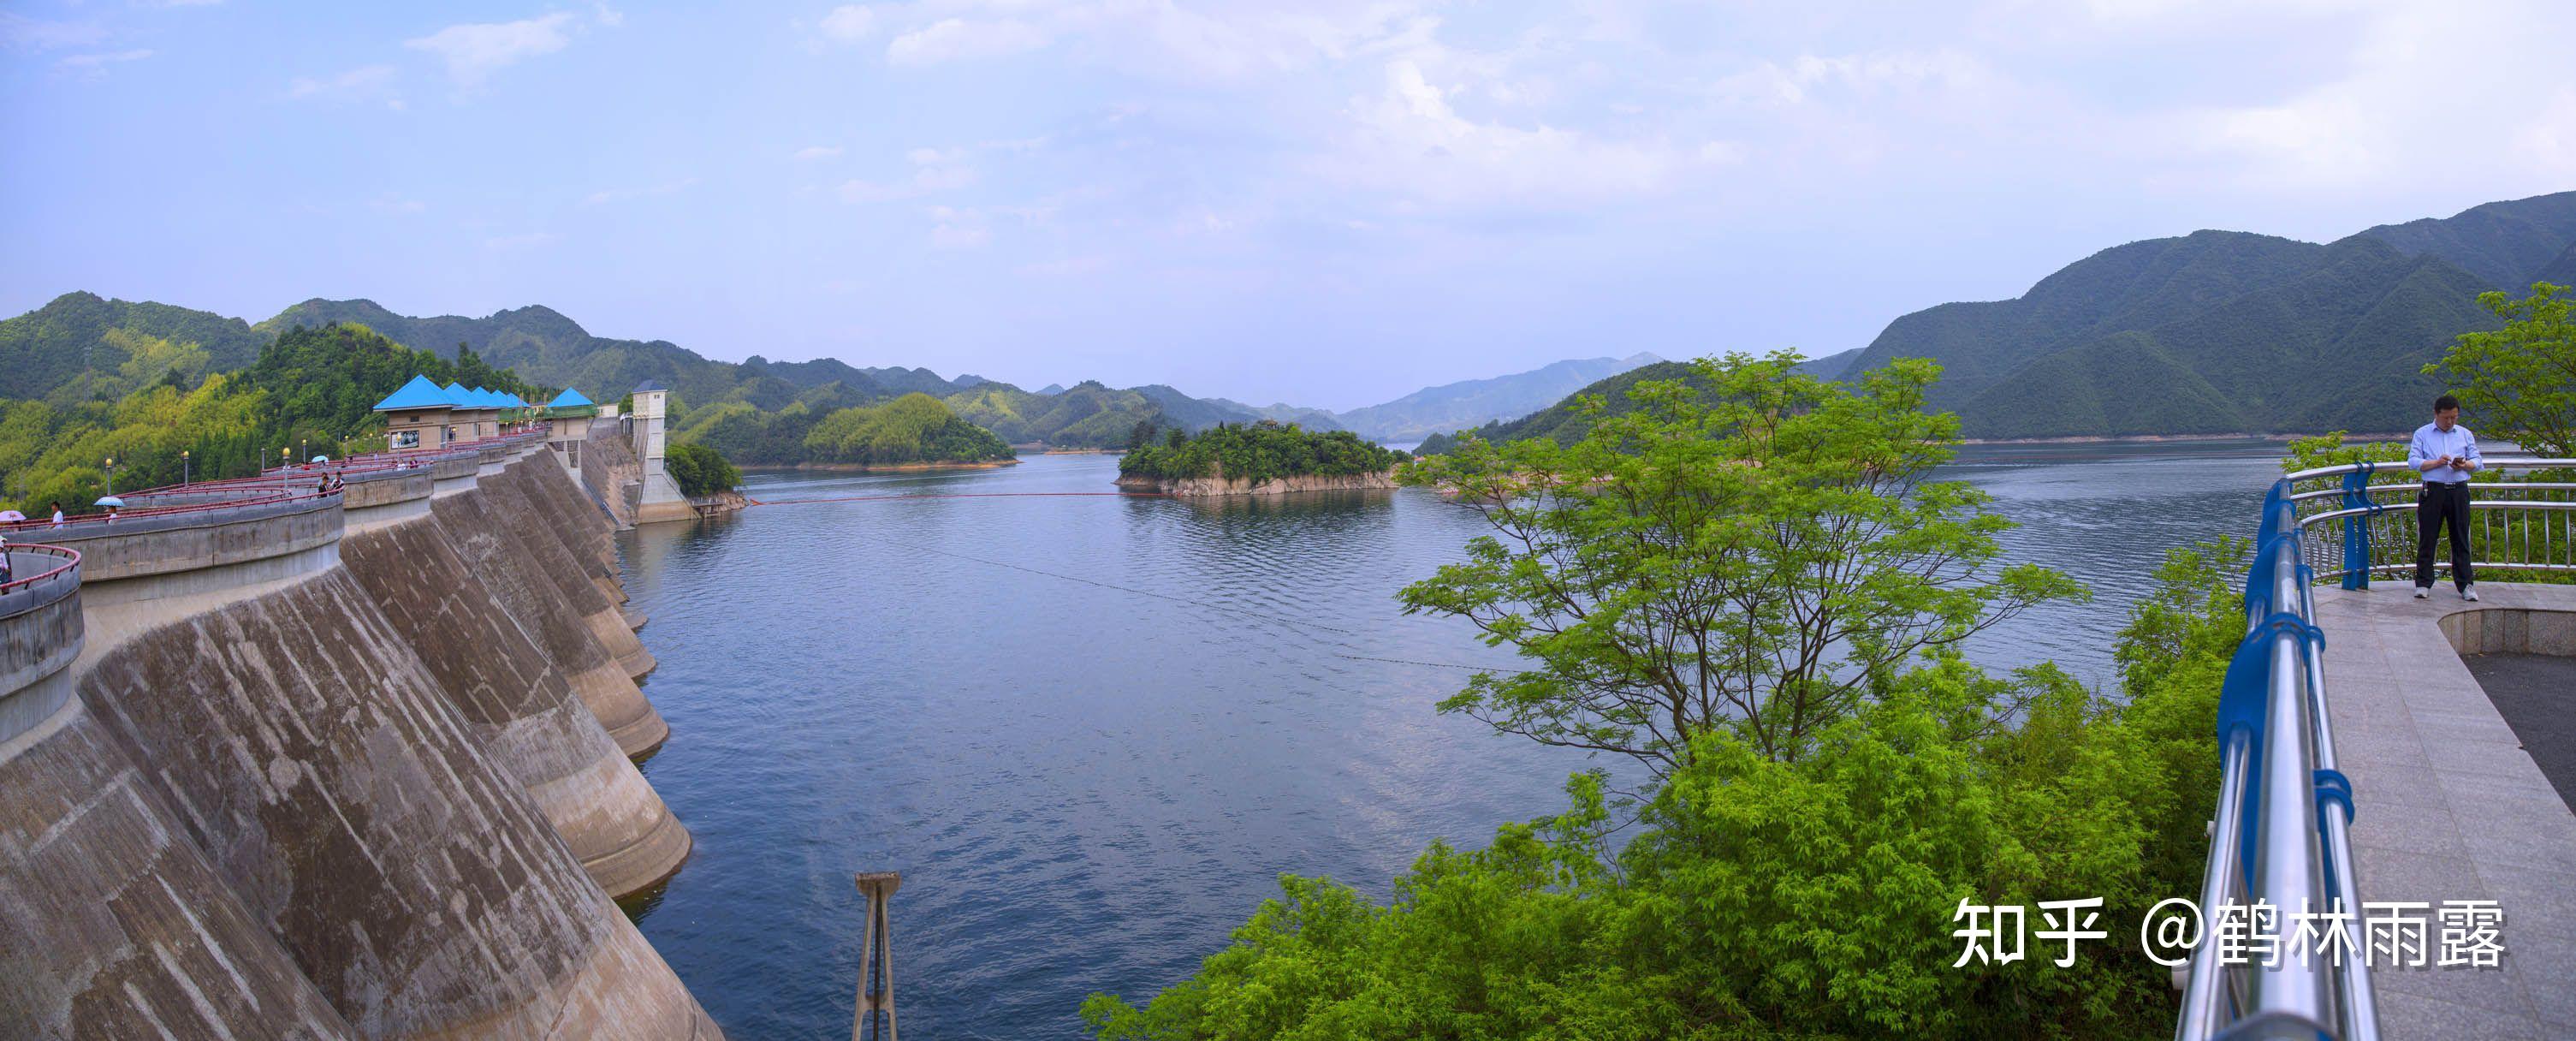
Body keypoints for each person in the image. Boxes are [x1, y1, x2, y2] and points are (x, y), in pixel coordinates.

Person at [2407, 393, 2483, 601]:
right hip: (2433, 490)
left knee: (2460, 538)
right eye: (2446, 417)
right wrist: (2436, 462)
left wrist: (2464, 464)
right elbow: (2413, 461)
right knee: (2428, 537)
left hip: (2459, 489)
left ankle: (2466, 585)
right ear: (2436, 414)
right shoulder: (2422, 433)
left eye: (2454, 417)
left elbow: (2477, 461)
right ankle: (2423, 583)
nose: (2450, 422)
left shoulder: (2465, 434)